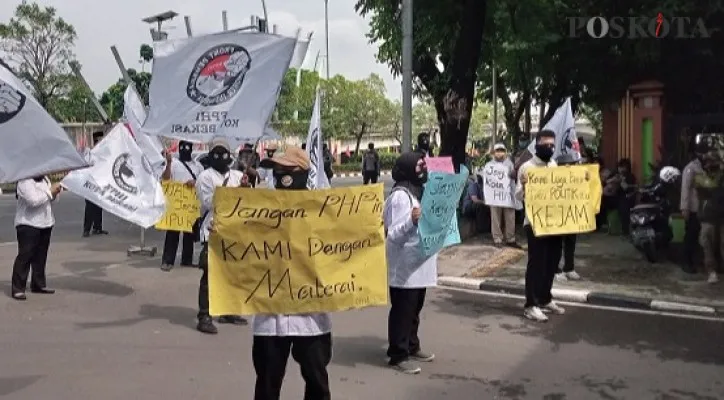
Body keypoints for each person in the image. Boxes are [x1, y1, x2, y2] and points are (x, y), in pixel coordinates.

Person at [252, 146, 332, 400]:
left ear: (302, 173)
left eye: (286, 170)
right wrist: (222, 226)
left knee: (317, 381)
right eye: (276, 170)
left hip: (310, 316)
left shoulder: (323, 211)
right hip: (270, 317)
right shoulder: (258, 208)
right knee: (267, 382)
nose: (280, 175)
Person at [384, 151, 437, 374]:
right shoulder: (400, 197)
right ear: (406, 169)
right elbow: (393, 234)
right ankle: (398, 354)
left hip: (420, 264)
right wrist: (411, 221)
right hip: (404, 268)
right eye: (418, 166)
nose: (423, 170)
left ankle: (412, 345)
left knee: (414, 309)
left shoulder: (419, 192)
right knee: (402, 312)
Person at [195, 138, 248, 334]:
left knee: (232, 273)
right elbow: (209, 203)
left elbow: (246, 202)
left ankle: (228, 310)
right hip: (213, 231)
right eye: (216, 153)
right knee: (210, 275)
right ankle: (204, 315)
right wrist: (233, 192)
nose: (220, 156)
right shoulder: (205, 178)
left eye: (223, 152)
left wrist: (246, 188)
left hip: (235, 232)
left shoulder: (237, 175)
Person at [516, 129, 564, 322]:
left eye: (552, 145)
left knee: (552, 261)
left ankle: (545, 298)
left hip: (555, 223)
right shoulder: (526, 168)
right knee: (536, 263)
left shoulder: (554, 165)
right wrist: (525, 186)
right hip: (535, 223)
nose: (549, 148)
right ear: (537, 144)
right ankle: (531, 304)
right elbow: (518, 196)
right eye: (546, 144)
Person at [11, 176, 63, 300]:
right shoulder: (24, 181)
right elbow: (33, 201)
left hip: (46, 222)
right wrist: (50, 192)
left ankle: (38, 284)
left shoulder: (45, 179)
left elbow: (52, 201)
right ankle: (18, 288)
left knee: (41, 256)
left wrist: (55, 193)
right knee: (25, 256)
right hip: (28, 224)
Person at [160, 140, 203, 271]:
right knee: (172, 233)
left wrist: (195, 182)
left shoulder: (198, 166)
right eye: (183, 147)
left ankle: (187, 260)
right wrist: (168, 163)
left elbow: (202, 182)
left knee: (189, 234)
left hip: (190, 205)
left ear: (192, 148)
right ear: (179, 148)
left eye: (188, 147)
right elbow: (165, 179)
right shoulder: (174, 164)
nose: (185, 149)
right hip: (176, 206)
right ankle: (168, 260)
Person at [693, 154, 723, 284]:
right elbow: (708, 186)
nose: (710, 166)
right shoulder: (700, 177)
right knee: (707, 246)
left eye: (713, 163)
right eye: (708, 163)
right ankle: (712, 272)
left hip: (722, 217)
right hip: (707, 217)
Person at [487, 143, 518, 247]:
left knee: (510, 217)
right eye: (498, 150)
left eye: (502, 150)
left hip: (508, 195)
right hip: (494, 196)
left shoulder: (509, 164)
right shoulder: (489, 165)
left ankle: (510, 239)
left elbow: (513, 178)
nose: (500, 153)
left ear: (505, 152)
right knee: (495, 218)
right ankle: (497, 239)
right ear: (494, 152)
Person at [681, 146, 704, 274]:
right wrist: (685, 208)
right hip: (693, 208)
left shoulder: (709, 167)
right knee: (691, 235)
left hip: (705, 208)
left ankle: (697, 260)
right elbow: (685, 189)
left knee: (701, 236)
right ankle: (686, 262)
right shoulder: (691, 168)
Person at [82, 131, 107, 237]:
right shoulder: (90, 153)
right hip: (90, 183)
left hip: (100, 183)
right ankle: (86, 229)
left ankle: (97, 227)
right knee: (90, 207)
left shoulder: (102, 153)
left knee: (99, 206)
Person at [609, 158, 637, 235]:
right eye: (620, 167)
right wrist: (612, 180)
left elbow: (626, 188)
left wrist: (621, 181)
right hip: (614, 197)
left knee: (623, 206)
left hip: (626, 197)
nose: (621, 169)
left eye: (623, 167)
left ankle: (625, 230)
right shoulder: (615, 174)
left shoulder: (630, 176)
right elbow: (607, 182)